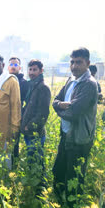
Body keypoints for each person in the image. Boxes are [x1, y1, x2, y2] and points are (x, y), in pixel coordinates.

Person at [52, 48, 98, 207]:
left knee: (74, 179)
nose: (74, 66)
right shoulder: (71, 80)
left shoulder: (89, 84)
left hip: (79, 139)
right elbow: (56, 100)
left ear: (88, 63)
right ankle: (59, 202)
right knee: (58, 173)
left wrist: (59, 108)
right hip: (66, 134)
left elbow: (74, 113)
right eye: (72, 62)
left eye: (79, 62)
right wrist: (60, 105)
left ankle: (72, 204)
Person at [20, 59, 51, 194]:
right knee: (32, 160)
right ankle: (34, 186)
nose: (31, 72)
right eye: (30, 69)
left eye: (35, 70)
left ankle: (40, 190)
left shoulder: (43, 88)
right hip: (29, 132)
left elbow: (43, 114)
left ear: (41, 71)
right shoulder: (32, 86)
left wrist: (28, 127)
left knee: (38, 162)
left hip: (35, 133)